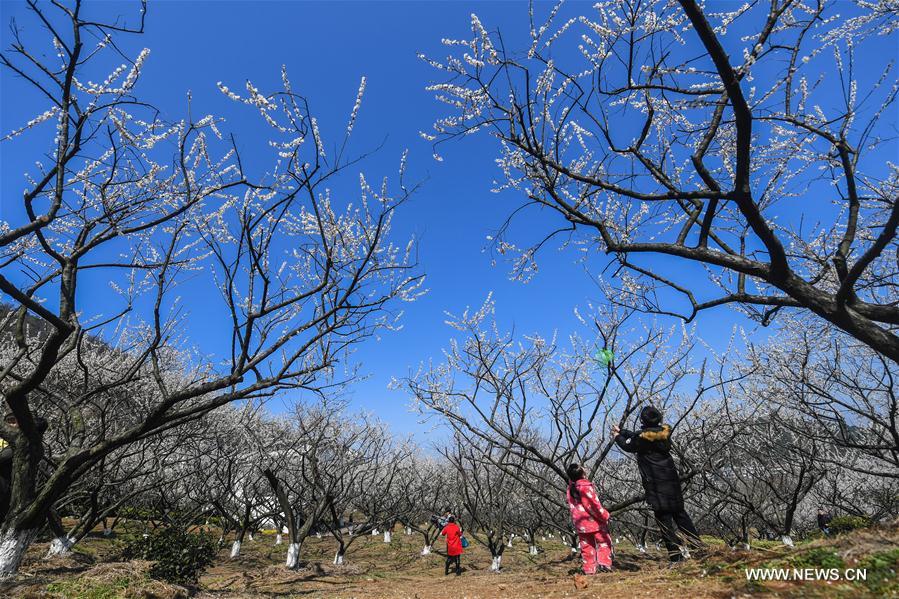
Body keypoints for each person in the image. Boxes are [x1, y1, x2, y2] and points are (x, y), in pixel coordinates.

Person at [612, 406, 703, 562]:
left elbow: (629, 445)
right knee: (681, 515)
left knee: (664, 521)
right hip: (671, 481)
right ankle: (699, 549)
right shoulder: (664, 433)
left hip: (655, 484)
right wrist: (622, 431)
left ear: (642, 420)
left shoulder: (642, 438)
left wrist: (616, 437)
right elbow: (641, 435)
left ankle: (676, 557)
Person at [566, 463, 613, 574]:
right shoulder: (584, 487)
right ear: (583, 474)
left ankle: (589, 569)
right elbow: (592, 505)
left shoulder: (571, 489)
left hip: (580, 523)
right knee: (604, 542)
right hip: (594, 522)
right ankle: (604, 564)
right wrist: (604, 515)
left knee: (586, 546)